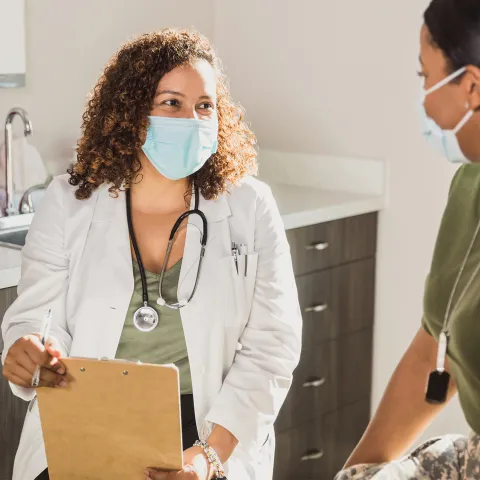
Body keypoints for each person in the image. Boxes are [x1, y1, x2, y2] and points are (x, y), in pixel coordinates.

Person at [1, 29, 302, 480]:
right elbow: (35, 319)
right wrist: (30, 353)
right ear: (131, 112)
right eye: (171, 103)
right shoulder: (68, 202)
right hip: (85, 416)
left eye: (204, 106)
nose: (192, 119)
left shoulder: (249, 207)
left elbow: (272, 349)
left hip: (209, 426)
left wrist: (208, 456)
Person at [335, 0, 480, 478]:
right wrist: (356, 472)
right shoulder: (469, 186)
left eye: (425, 78)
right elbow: (432, 347)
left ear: (471, 87)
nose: (424, 102)